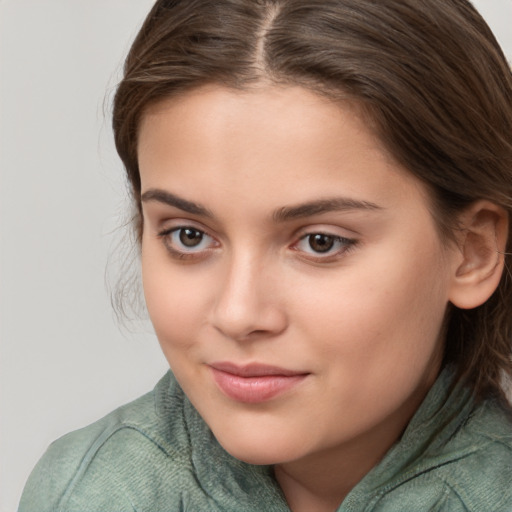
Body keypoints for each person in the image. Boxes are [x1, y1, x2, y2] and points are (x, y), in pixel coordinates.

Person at [19, 0, 512, 510]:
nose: (238, 314)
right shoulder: (88, 493)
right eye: (189, 235)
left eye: (321, 242)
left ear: (473, 251)